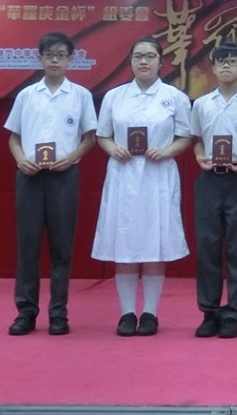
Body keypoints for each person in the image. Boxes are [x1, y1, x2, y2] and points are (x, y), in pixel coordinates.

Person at [91, 37, 192, 337]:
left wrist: (167, 150)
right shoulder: (114, 97)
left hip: (158, 175)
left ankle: (150, 313)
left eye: (150, 56)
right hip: (123, 174)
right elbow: (102, 135)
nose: (143, 61)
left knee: (154, 244)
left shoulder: (174, 97)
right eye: (138, 56)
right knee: (124, 243)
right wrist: (113, 149)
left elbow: (185, 137)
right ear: (131, 61)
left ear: (161, 61)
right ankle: (126, 313)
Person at [4, 31, 97, 336]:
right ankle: (26, 313)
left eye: (61, 55)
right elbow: (14, 137)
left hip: (64, 177)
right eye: (49, 55)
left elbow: (89, 138)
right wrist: (20, 159)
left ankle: (59, 313)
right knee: (27, 246)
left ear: (70, 59)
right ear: (40, 58)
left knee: (62, 247)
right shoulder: (27, 95)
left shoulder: (80, 95)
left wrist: (71, 158)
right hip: (30, 177)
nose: (55, 60)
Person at [190, 43, 237, 339]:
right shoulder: (201, 104)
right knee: (207, 247)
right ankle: (209, 313)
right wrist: (200, 157)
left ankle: (233, 313)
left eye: (233, 62)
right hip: (209, 180)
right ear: (212, 67)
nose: (226, 66)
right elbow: (197, 140)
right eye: (221, 62)